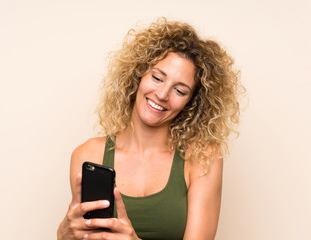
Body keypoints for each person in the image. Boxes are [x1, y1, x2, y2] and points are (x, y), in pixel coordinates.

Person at [57, 17, 242, 240]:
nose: (162, 95)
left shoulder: (203, 158)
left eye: (180, 91)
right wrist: (65, 234)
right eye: (157, 77)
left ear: (191, 103)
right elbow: (82, 233)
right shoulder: (88, 154)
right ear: (138, 74)